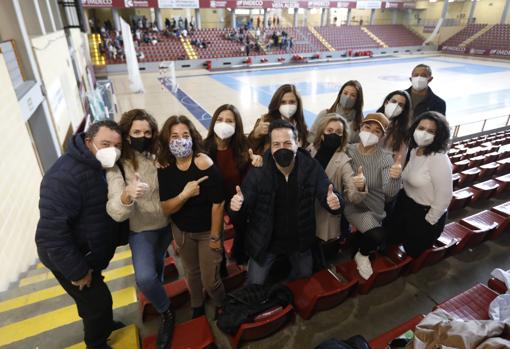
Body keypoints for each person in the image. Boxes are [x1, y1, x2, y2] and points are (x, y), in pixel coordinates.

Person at [35, 120, 123, 349]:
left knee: (92, 299)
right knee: (98, 303)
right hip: (69, 257)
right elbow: (51, 235)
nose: (112, 150)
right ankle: (96, 343)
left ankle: (103, 324)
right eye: (105, 144)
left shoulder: (99, 167)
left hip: (89, 252)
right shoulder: (64, 177)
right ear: (88, 141)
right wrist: (78, 271)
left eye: (117, 145)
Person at [229, 120, 343, 285]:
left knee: (304, 275)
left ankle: (286, 291)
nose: (282, 148)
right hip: (267, 242)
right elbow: (243, 205)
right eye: (276, 144)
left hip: (299, 239)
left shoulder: (310, 167)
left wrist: (335, 202)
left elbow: (328, 192)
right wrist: (237, 208)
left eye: (287, 143)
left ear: (298, 143)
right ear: (270, 146)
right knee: (254, 283)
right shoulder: (259, 172)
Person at [105, 110, 174, 349]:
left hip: (167, 226)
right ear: (126, 134)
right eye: (136, 132)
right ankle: (166, 311)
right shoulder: (118, 166)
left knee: (157, 269)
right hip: (141, 230)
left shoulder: (159, 154)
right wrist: (126, 195)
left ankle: (160, 289)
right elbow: (115, 209)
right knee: (145, 278)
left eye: (147, 132)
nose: (142, 136)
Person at [158, 115, 225, 318]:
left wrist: (215, 237)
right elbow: (167, 208)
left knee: (210, 280)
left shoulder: (203, 162)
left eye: (185, 135)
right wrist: (185, 195)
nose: (180, 140)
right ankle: (197, 303)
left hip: (207, 231)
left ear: (192, 137)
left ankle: (222, 302)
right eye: (175, 136)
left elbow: (218, 202)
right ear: (167, 141)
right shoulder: (164, 168)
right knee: (191, 272)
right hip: (183, 232)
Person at [384, 111, 452, 258]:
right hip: (405, 205)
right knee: (389, 241)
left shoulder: (439, 158)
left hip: (424, 214)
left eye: (430, 131)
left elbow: (445, 196)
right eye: (421, 128)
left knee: (412, 252)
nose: (423, 133)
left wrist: (428, 223)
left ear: (438, 135)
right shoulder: (415, 150)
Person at [343, 113, 402, 280]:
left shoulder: (385, 158)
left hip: (373, 207)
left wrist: (394, 177)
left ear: (382, 136)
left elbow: (390, 192)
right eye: (367, 127)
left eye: (377, 131)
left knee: (372, 235)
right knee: (377, 235)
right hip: (352, 205)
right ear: (361, 127)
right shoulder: (348, 149)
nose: (370, 132)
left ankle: (361, 252)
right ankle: (362, 255)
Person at [308, 114, 367, 242]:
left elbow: (353, 196)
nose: (334, 134)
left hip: (324, 215)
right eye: (330, 131)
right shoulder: (311, 150)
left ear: (343, 136)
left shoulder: (344, 161)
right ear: (322, 133)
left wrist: (360, 186)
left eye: (338, 132)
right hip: (306, 211)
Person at [203, 104, 263, 201]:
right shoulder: (202, 149)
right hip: (210, 208)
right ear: (214, 122)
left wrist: (257, 163)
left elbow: (251, 185)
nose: (223, 124)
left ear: (236, 126)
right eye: (219, 120)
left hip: (236, 206)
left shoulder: (245, 149)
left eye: (229, 121)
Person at [249, 84, 309, 155]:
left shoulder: (300, 125)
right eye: (283, 102)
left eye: (292, 102)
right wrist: (256, 133)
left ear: (298, 104)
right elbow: (249, 147)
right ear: (277, 103)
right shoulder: (266, 121)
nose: (288, 106)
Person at [376, 90, 411, 164]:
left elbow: (399, 161)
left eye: (400, 105)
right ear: (386, 102)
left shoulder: (403, 133)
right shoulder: (371, 119)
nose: (396, 106)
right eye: (394, 101)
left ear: (403, 110)